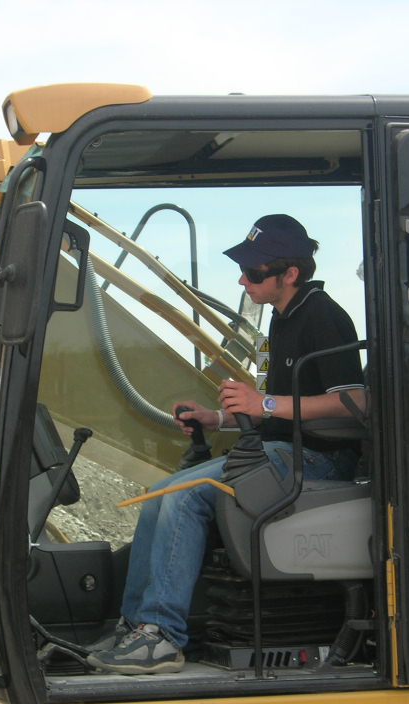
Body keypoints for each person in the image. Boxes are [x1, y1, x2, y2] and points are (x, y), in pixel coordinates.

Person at [87, 214, 365, 675]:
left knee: (186, 499)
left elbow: (354, 400)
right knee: (162, 495)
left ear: (290, 273)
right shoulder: (277, 323)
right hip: (275, 452)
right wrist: (215, 417)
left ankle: (162, 637)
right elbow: (266, 409)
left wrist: (264, 402)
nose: (243, 279)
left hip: (317, 460)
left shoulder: (324, 315)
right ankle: (136, 627)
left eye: (254, 272)